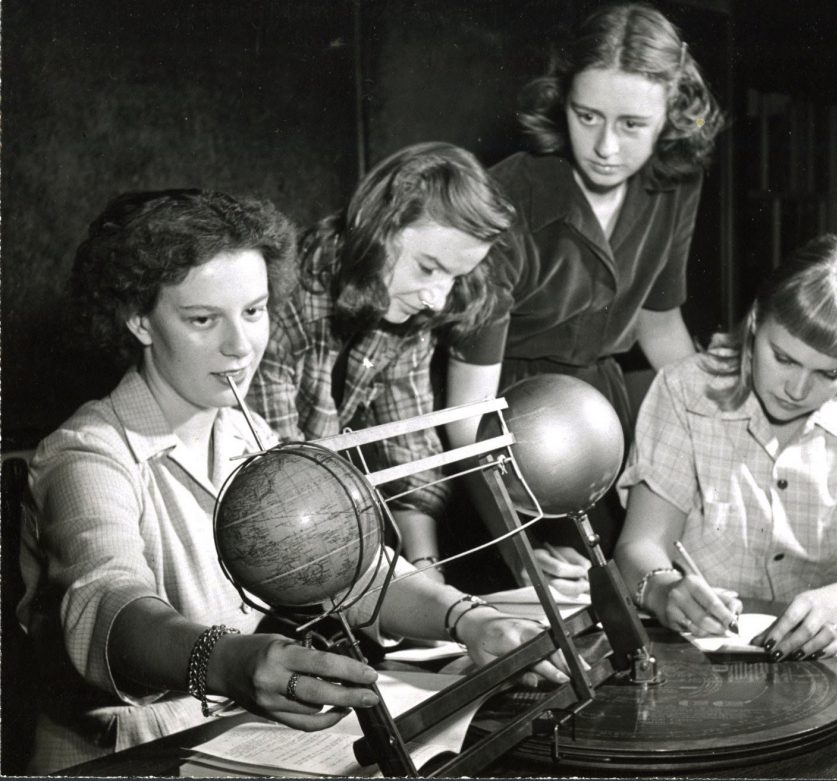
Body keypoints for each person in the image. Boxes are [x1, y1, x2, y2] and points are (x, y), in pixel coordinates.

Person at [16, 189, 565, 774]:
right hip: (119, 756)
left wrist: (470, 620)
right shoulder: (86, 454)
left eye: (254, 311)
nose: (240, 345)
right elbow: (105, 603)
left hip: (227, 738)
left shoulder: (249, 433)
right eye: (203, 319)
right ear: (138, 320)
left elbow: (353, 569)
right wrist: (228, 663)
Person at [443, 2, 725, 594]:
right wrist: (518, 546)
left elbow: (658, 325)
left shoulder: (674, 183)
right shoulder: (503, 199)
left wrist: (725, 416)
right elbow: (466, 415)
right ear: (561, 99)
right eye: (587, 115)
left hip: (606, 416)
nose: (605, 146)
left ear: (670, 115)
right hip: (507, 433)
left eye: (632, 125)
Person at [614, 234, 837, 662]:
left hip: (821, 661)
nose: (798, 389)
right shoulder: (685, 389)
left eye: (831, 373)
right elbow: (638, 545)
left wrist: (833, 608)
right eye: (783, 358)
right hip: (697, 654)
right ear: (754, 325)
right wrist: (662, 588)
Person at [247, 142, 514, 582]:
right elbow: (287, 480)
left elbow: (410, 459)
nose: (437, 299)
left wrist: (428, 572)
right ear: (381, 227)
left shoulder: (401, 307)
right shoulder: (287, 301)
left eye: (456, 277)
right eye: (429, 268)